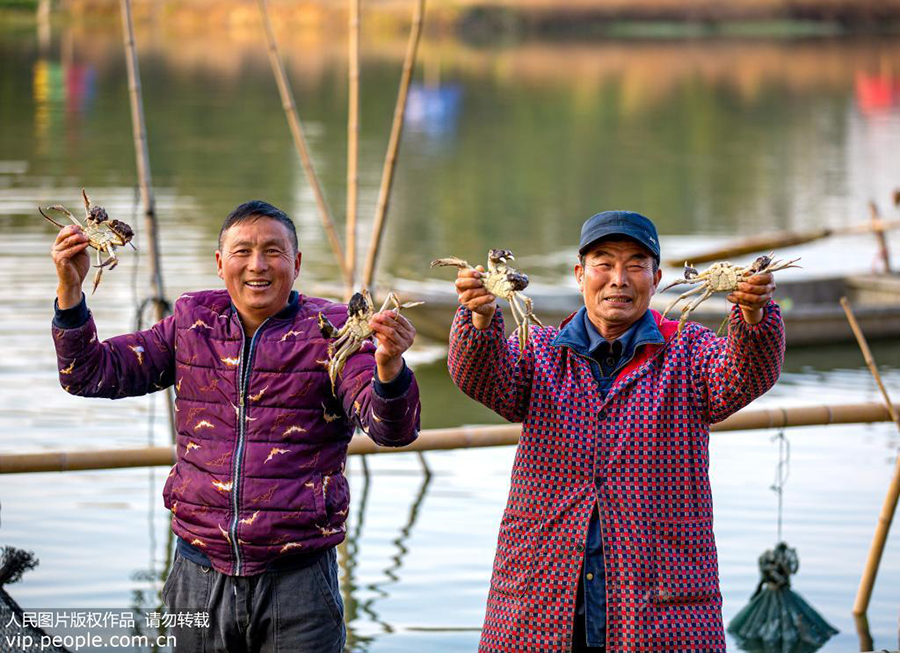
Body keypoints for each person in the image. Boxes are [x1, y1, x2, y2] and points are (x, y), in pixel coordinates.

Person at [49, 200, 420, 652]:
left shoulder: (334, 330)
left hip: (299, 582)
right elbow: (89, 374)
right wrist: (70, 292)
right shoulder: (191, 322)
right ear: (220, 264)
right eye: (242, 251)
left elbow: (391, 429)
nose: (257, 265)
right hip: (197, 575)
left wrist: (390, 368)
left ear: (297, 264)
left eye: (273, 252)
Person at [448, 211, 784, 652]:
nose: (618, 279)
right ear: (580, 273)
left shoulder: (690, 349)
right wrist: (478, 318)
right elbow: (485, 380)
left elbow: (745, 374)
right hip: (538, 601)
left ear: (657, 277)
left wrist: (755, 314)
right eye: (604, 263)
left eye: (635, 264)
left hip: (663, 608)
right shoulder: (539, 348)